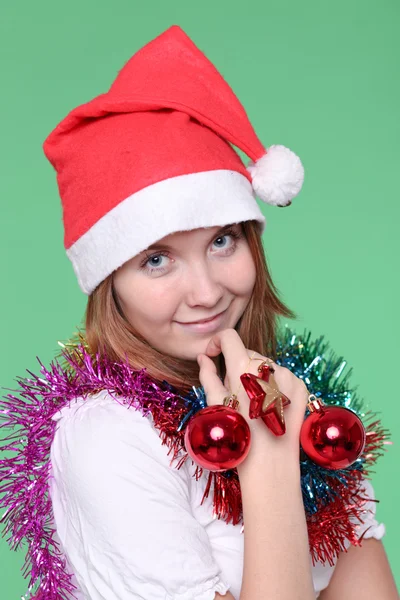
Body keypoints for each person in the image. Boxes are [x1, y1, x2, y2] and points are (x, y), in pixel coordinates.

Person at [8, 24, 398, 600]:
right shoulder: (108, 438)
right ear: (109, 282)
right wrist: (268, 467)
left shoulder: (299, 402)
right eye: (159, 260)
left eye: (222, 241)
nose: (207, 292)